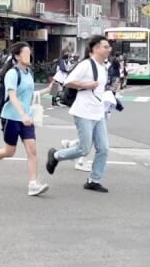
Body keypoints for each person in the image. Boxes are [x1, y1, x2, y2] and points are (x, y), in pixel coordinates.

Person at [0, 42, 52, 196]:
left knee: (32, 151)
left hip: (26, 119)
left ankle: (33, 184)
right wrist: (22, 115)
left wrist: (48, 90)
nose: (29, 55)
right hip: (12, 117)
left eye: (30, 53)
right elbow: (12, 96)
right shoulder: (12, 74)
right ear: (17, 56)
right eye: (26, 53)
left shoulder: (28, 73)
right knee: (9, 151)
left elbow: (29, 95)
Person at [45, 35, 112, 193]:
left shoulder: (104, 67)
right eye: (105, 46)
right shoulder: (86, 65)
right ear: (95, 48)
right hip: (83, 111)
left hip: (98, 112)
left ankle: (93, 180)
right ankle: (56, 156)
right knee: (84, 148)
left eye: (109, 47)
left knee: (103, 148)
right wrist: (86, 84)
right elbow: (68, 81)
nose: (109, 49)